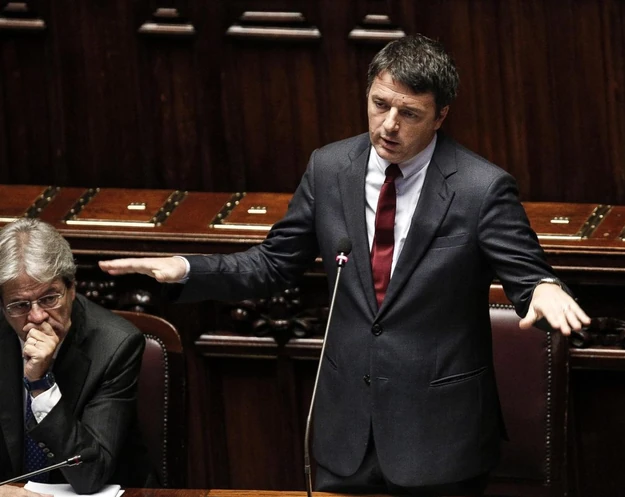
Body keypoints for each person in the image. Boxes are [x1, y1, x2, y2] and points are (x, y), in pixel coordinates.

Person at [99, 34, 590, 494]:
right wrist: (187, 269)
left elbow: (527, 272)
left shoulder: (480, 188)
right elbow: (274, 263)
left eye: (409, 113)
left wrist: (542, 287)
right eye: (380, 104)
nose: (389, 125)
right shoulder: (330, 168)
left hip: (440, 438)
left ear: (440, 116)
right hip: (345, 432)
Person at [0, 219, 156, 494]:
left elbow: (90, 475)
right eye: (20, 305)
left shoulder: (115, 345)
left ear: (72, 289)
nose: (37, 316)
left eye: (49, 298)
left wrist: (40, 384)